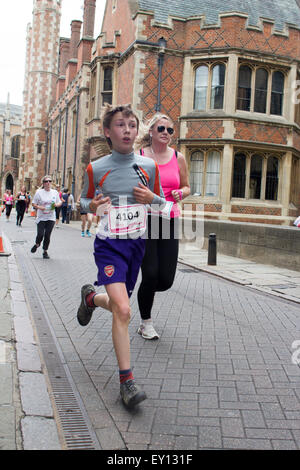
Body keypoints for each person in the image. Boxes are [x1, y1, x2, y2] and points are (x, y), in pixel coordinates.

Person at [77, 104, 168, 408]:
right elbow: (83, 200)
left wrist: (150, 197)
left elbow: (162, 205)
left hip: (136, 246)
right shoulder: (97, 168)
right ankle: (127, 382)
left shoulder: (149, 167)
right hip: (109, 245)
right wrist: (92, 206)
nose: (127, 130)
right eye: (120, 125)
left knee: (120, 308)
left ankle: (90, 299)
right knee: (125, 311)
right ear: (107, 132)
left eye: (132, 124)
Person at [135, 113, 190, 340]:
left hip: (168, 218)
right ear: (151, 131)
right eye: (161, 129)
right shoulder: (138, 156)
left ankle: (143, 293)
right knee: (149, 274)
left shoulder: (178, 157)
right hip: (144, 219)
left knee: (165, 280)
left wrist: (181, 193)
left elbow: (187, 187)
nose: (166, 133)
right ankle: (146, 323)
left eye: (170, 130)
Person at [30, 175, 62, 259]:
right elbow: (33, 203)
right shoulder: (39, 192)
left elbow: (60, 202)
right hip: (41, 217)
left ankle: (45, 251)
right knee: (40, 234)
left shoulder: (55, 192)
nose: (48, 183)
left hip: (51, 217)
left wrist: (56, 204)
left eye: (49, 181)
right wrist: (40, 207)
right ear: (43, 183)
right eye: (46, 181)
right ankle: (37, 244)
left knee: (47, 235)